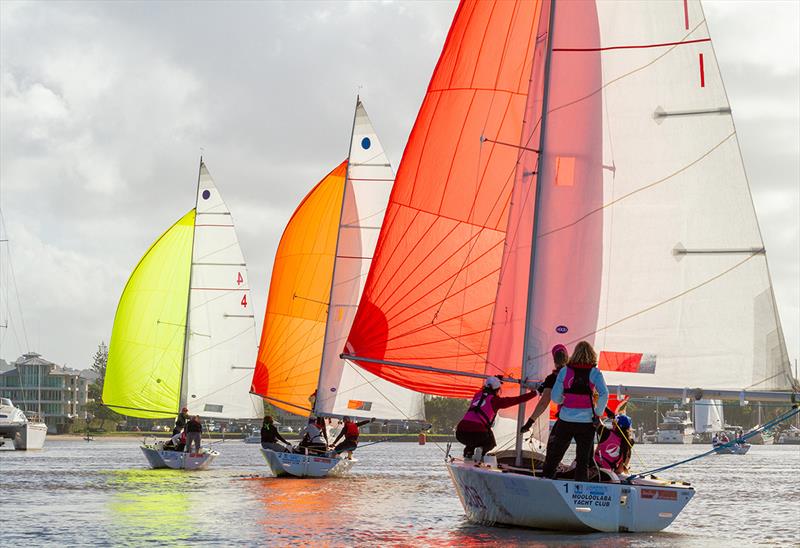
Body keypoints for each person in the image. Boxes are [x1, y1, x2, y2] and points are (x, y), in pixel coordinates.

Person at [542, 341, 609, 482]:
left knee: (555, 455)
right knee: (583, 460)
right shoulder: (595, 372)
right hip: (586, 423)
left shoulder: (565, 371)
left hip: (566, 420)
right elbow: (604, 394)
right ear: (592, 354)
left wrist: (563, 401)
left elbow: (555, 397)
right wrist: (597, 412)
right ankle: (580, 490)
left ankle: (546, 479)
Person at [455, 375, 538, 461]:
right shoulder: (496, 401)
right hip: (478, 434)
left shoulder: (477, 394)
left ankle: (468, 453)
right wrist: (535, 393)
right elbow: (517, 399)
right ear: (497, 390)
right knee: (490, 443)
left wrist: (496, 380)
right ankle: (481, 453)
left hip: (460, 433)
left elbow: (486, 388)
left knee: (472, 440)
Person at [520, 344, 569, 433]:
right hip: (586, 418)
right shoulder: (578, 373)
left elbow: (543, 402)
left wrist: (529, 423)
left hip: (566, 417)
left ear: (554, 361)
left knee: (553, 446)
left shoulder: (552, 378)